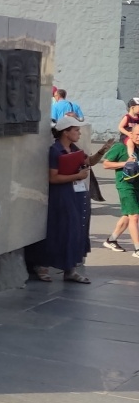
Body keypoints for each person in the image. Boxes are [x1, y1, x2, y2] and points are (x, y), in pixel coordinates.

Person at [39, 114, 92, 283]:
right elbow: (53, 177)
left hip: (75, 194)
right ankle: (43, 265)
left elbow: (88, 161)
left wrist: (102, 151)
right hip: (61, 195)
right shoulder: (55, 151)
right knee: (60, 230)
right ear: (66, 132)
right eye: (76, 130)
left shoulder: (74, 149)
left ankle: (71, 269)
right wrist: (77, 176)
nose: (79, 133)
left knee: (76, 230)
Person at [100, 125, 139, 255]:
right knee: (134, 216)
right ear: (131, 134)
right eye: (137, 134)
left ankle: (112, 240)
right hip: (125, 186)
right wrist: (125, 163)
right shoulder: (120, 147)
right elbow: (106, 164)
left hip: (137, 185)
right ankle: (137, 249)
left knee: (127, 216)